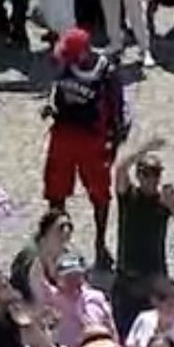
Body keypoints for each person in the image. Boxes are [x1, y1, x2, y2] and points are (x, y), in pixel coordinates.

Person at [43, 29, 128, 267]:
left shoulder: (106, 74)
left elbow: (119, 112)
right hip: (63, 133)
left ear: (85, 53)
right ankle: (58, 241)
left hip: (93, 140)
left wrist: (113, 145)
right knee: (55, 189)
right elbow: (55, 91)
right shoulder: (65, 66)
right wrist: (50, 107)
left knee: (100, 193)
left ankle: (100, 243)